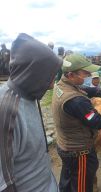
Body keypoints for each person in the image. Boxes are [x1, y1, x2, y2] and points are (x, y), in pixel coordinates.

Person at [51, 53, 101, 192]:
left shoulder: (61, 86)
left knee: (68, 181)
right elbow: (98, 122)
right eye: (85, 73)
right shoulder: (76, 101)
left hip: (65, 146)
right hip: (79, 153)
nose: (89, 75)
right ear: (71, 74)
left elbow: (87, 90)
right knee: (82, 186)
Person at [0, 33, 62, 192]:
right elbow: (4, 184)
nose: (52, 83)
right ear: (34, 72)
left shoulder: (29, 94)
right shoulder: (6, 111)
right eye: (50, 74)